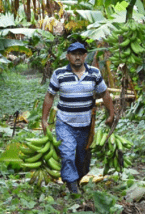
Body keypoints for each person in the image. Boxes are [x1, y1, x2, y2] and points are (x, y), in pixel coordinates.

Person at [41, 42, 114, 194]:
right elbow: (49, 96)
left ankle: (77, 180)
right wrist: (44, 119)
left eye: (81, 54)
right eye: (74, 54)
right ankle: (72, 187)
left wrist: (111, 113)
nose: (78, 57)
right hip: (65, 122)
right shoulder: (59, 74)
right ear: (68, 56)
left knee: (83, 159)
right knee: (67, 154)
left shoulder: (94, 73)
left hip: (85, 124)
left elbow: (105, 94)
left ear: (85, 56)